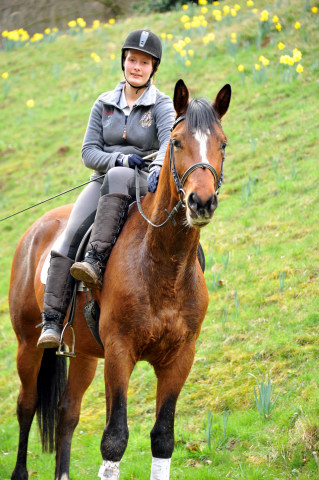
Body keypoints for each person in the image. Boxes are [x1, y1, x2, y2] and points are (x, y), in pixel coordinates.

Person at [37, 29, 175, 349]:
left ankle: (96, 261)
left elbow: (169, 141)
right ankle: (52, 321)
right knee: (69, 234)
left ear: (153, 68)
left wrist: (156, 167)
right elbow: (88, 153)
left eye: (144, 62)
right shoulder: (103, 103)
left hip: (144, 183)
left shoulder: (162, 105)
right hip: (101, 182)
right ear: (123, 63)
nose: (136, 67)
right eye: (131, 60)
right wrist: (118, 158)